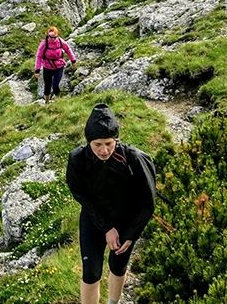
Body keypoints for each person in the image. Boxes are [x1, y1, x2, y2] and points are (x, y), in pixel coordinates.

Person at [66, 103, 156, 304]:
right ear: (88, 141)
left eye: (109, 143)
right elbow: (80, 193)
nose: (104, 150)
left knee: (118, 265)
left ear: (116, 139)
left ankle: (113, 302)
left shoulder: (134, 158)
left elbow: (148, 202)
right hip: (94, 218)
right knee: (91, 272)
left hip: (127, 219)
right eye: (97, 144)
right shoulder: (77, 159)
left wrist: (132, 234)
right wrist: (106, 227)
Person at [34, 25, 76, 104]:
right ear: (48, 35)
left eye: (55, 37)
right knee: (47, 85)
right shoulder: (44, 43)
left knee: (55, 85)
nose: (53, 39)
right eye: (51, 37)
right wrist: (37, 70)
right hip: (47, 67)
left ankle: (59, 100)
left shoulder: (60, 41)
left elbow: (67, 49)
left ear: (57, 35)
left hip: (58, 66)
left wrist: (73, 60)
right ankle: (47, 102)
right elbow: (39, 56)